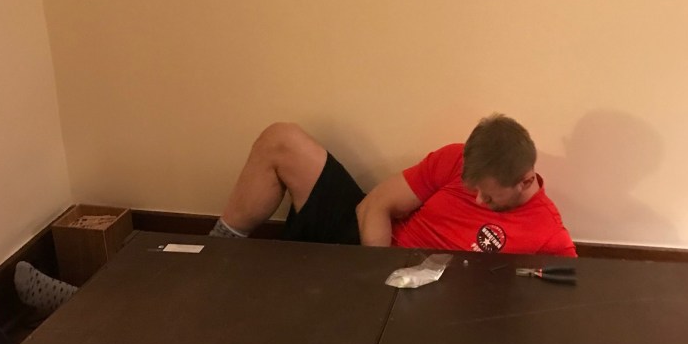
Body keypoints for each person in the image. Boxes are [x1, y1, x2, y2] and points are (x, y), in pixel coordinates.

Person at [211, 114, 576, 257]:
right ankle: (213, 250)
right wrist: (376, 277)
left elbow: (574, 293)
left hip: (416, 300)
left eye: (490, 197)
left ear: (526, 180)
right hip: (373, 250)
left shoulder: (547, 233)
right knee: (282, 139)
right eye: (474, 188)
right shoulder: (455, 158)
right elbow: (375, 206)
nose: (479, 200)